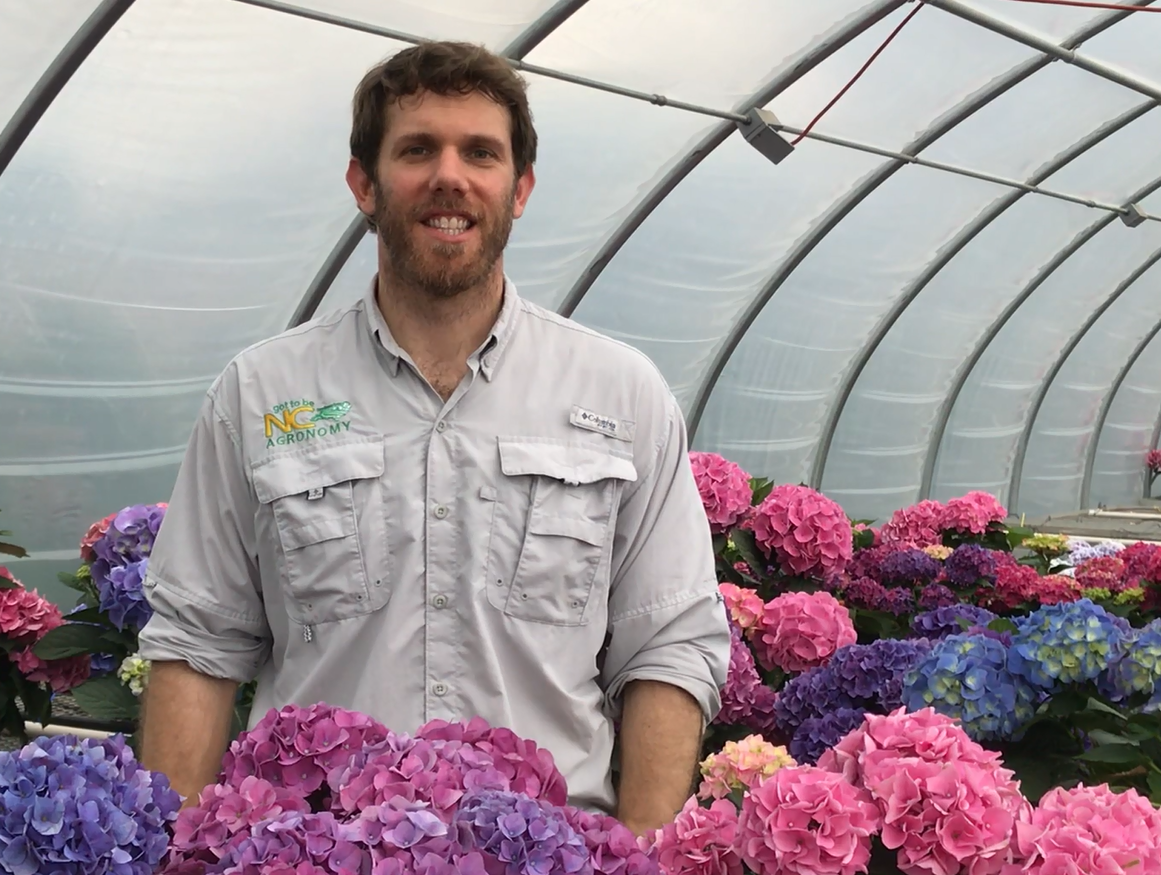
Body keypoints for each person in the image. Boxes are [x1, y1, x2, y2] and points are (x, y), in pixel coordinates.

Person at [136, 40, 729, 834]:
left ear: (518, 189)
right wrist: (171, 862)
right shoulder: (261, 394)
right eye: (417, 150)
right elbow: (198, 643)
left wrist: (646, 874)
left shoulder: (621, 397)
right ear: (364, 185)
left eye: (480, 153)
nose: (450, 176)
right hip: (312, 873)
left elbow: (667, 646)